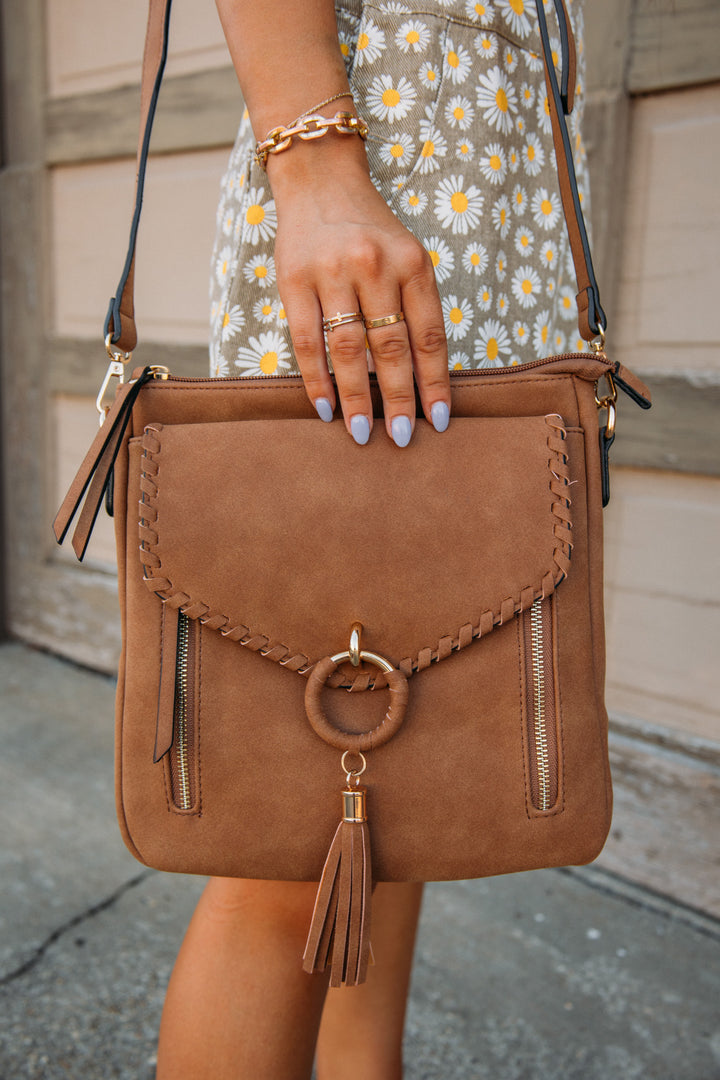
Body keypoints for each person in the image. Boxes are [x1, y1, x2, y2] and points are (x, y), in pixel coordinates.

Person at [156, 1, 587, 1076]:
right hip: (377, 180)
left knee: (415, 781)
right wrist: (315, 164)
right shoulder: (339, 171)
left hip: (497, 192)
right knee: (292, 827)